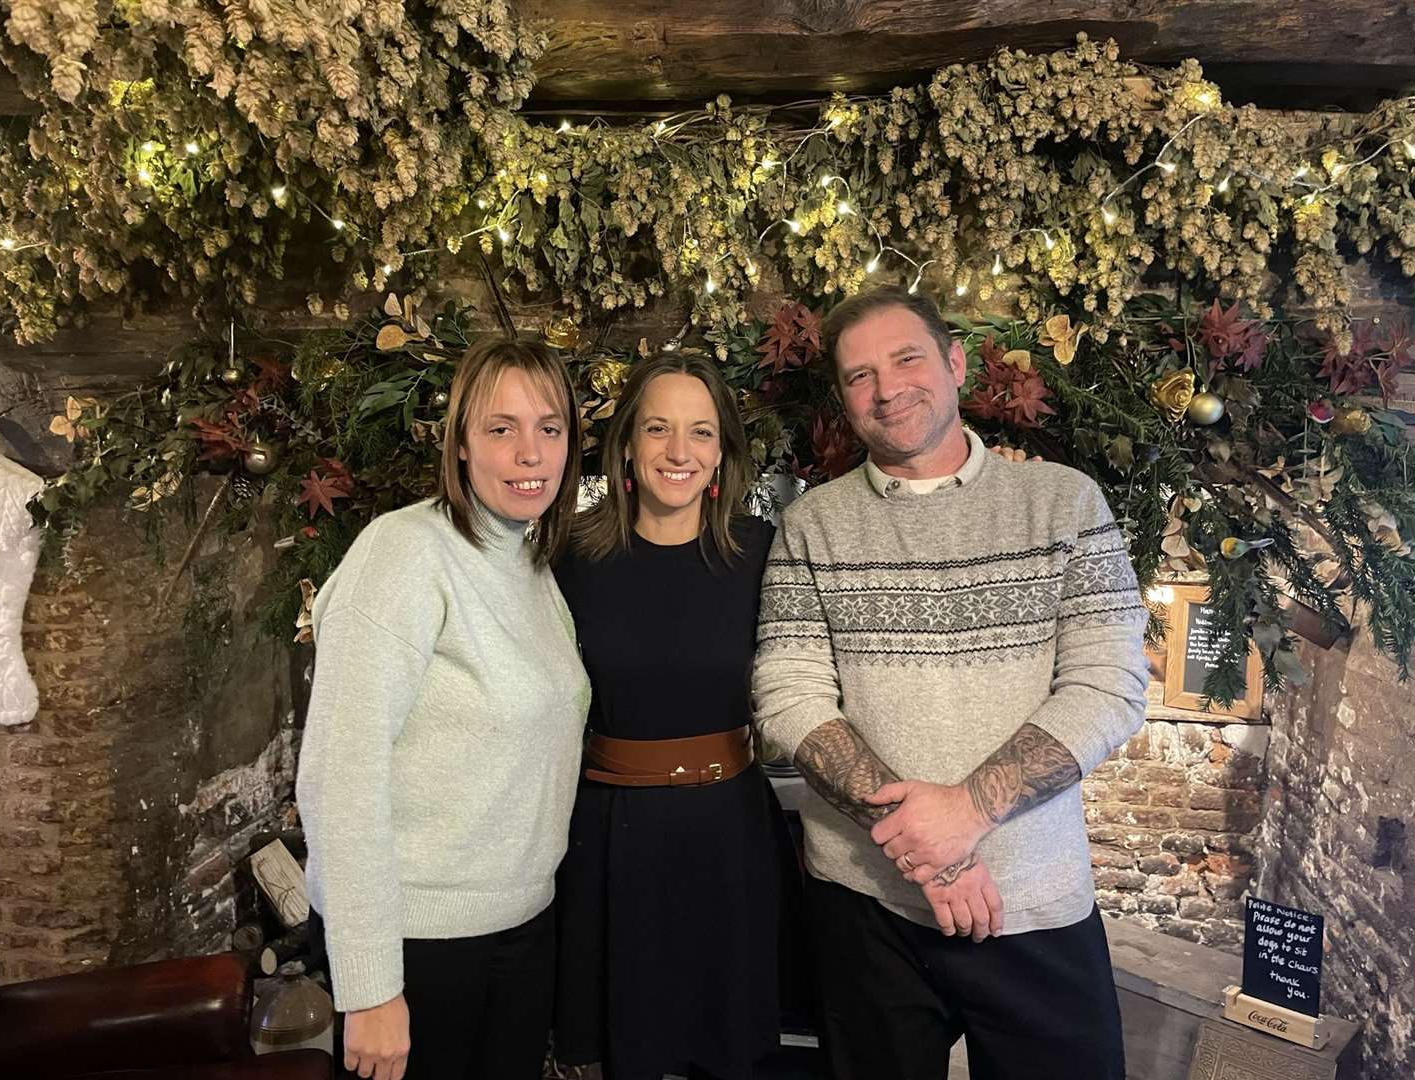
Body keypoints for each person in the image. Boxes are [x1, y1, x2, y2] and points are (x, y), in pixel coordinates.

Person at [752, 285, 1151, 1080]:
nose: (888, 387)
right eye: (860, 375)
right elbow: (786, 693)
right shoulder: (812, 525)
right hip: (864, 908)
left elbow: (1110, 684)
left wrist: (967, 812)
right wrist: (927, 850)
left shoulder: (1064, 503)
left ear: (956, 362)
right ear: (843, 397)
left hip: (1033, 898)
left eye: (906, 359)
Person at [296, 338, 591, 1080]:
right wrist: (369, 987)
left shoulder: (528, 564)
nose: (530, 453)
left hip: (521, 930)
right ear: (461, 444)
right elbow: (340, 772)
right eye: (501, 429)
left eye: (549, 429)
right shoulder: (404, 554)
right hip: (421, 948)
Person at [552, 351, 801, 1080]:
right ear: (627, 442)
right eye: (658, 429)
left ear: (722, 450)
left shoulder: (764, 552)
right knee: (621, 1050)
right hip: (608, 836)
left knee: (729, 1052)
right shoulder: (569, 554)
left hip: (729, 836)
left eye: (700, 431)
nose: (678, 451)